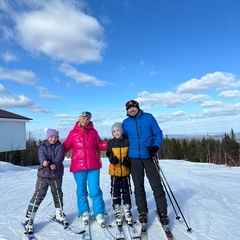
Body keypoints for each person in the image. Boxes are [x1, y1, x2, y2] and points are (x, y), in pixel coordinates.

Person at [122, 100, 169, 226]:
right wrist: (125, 156)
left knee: (156, 185)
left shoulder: (148, 117)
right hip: (134, 158)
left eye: (133, 107)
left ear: (138, 107)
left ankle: (163, 212)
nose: (132, 109)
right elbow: (125, 140)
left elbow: (158, 133)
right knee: (138, 187)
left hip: (149, 156)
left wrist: (155, 147)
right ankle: (142, 211)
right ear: (127, 111)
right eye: (129, 108)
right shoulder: (125, 123)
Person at [63, 111, 107, 227]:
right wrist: (54, 151)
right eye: (83, 118)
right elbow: (66, 146)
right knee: (81, 190)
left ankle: (99, 213)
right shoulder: (72, 133)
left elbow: (100, 145)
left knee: (95, 190)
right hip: (78, 166)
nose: (85, 120)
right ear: (79, 119)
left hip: (93, 165)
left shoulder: (93, 132)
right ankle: (84, 212)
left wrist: (112, 144)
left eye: (87, 119)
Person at [24, 128, 67, 234]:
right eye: (51, 137)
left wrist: (55, 164)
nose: (53, 139)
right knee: (39, 194)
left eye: (55, 137)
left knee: (57, 193)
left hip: (56, 174)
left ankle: (59, 213)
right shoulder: (42, 147)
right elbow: (41, 156)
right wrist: (44, 162)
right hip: (43, 175)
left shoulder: (60, 147)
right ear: (48, 137)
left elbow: (60, 157)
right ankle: (29, 217)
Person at [106, 122, 132, 227]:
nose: (116, 133)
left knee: (126, 190)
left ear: (121, 132)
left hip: (125, 170)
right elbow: (108, 152)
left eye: (118, 131)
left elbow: (131, 153)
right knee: (115, 190)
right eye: (114, 131)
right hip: (115, 171)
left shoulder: (127, 141)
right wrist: (112, 158)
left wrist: (128, 160)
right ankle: (117, 209)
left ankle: (127, 209)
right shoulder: (111, 143)